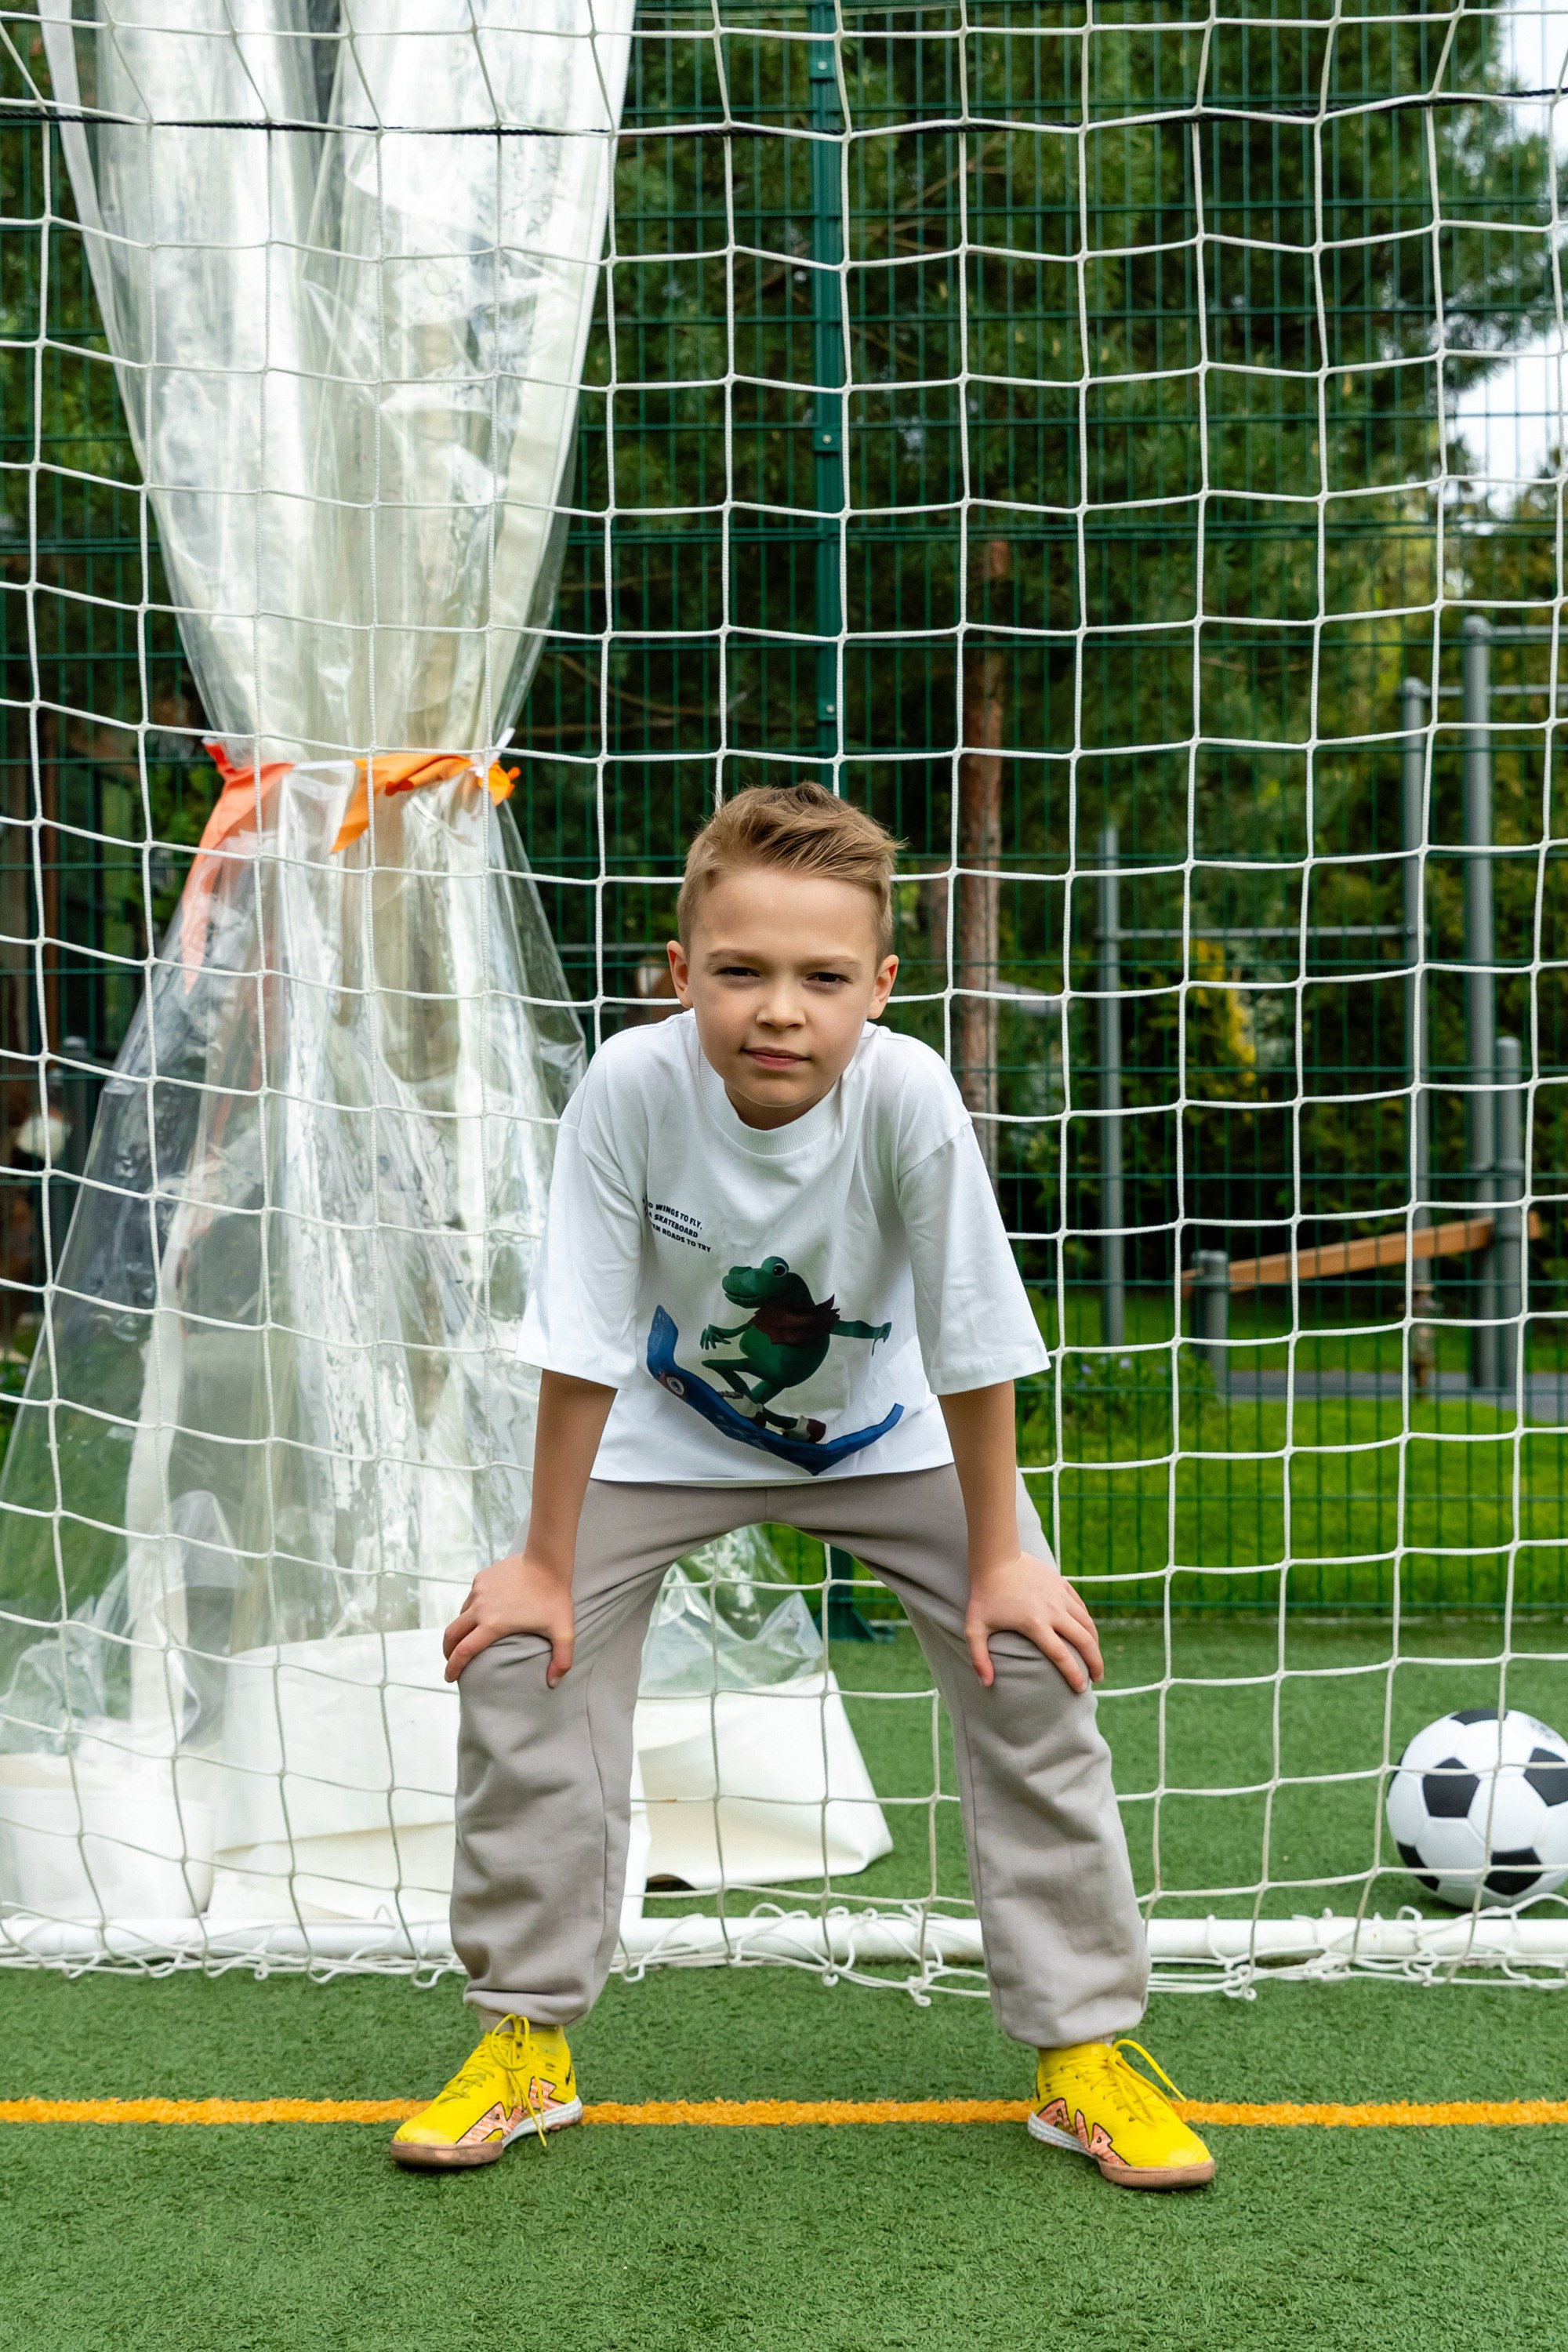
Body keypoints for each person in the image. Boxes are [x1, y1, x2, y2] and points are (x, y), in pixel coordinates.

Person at [390, 782, 1214, 2191]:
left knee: (1033, 1659)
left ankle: (1080, 2051)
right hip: (665, 1434)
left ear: (880, 987)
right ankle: (526, 2038)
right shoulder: (629, 1088)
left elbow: (972, 1334)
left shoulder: (908, 1093)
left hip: (890, 1439)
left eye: (824, 978)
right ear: (680, 974)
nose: (783, 1010)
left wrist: (1005, 1553)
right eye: (743, 973)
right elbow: (582, 1336)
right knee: (522, 1655)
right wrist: (539, 1557)